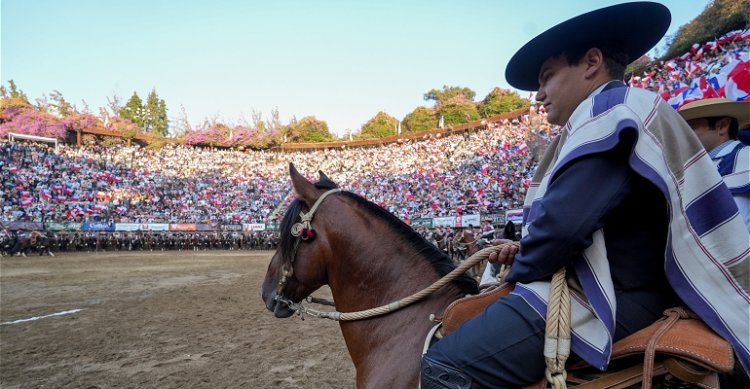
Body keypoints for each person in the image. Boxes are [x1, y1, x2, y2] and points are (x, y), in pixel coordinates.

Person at [420, 3, 750, 388]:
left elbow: (562, 230)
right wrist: (526, 251)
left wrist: (520, 267)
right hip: (637, 289)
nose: (539, 95)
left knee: (444, 365)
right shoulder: (622, 109)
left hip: (620, 297)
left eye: (546, 78)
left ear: (591, 62)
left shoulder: (610, 112)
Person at [678, 98, 750, 230]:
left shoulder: (745, 159)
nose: (682, 136)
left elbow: (735, 231)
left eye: (690, 128)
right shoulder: (694, 166)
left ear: (722, 126)